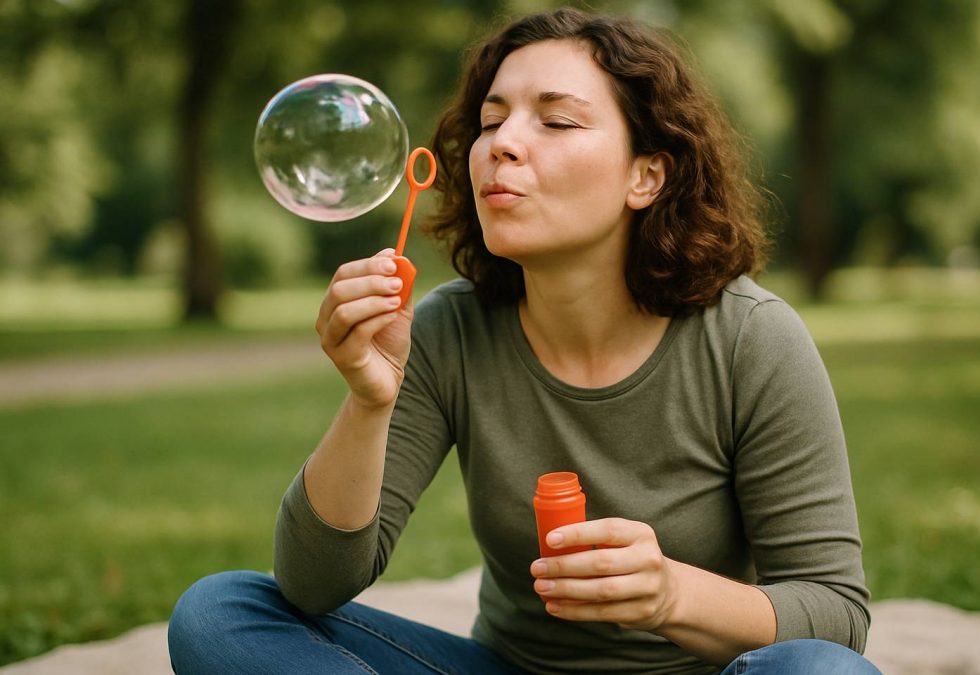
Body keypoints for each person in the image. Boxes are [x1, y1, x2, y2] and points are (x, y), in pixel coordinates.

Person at [169, 7, 880, 674]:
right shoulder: (449, 330)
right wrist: (368, 400)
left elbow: (835, 613)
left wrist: (670, 595)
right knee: (219, 613)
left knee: (824, 669)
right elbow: (311, 585)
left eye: (557, 121)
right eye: (490, 121)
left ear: (646, 174)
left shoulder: (749, 339)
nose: (501, 144)